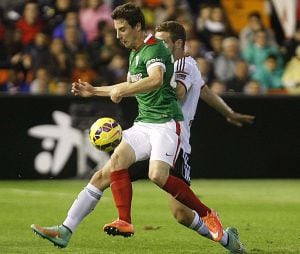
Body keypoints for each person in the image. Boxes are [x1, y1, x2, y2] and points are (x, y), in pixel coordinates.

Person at [30, 4, 252, 253]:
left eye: (122, 29)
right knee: (112, 165)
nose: (118, 35)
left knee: (170, 197)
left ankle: (211, 219)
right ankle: (73, 228)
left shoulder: (168, 56)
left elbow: (158, 80)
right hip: (145, 124)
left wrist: (122, 90)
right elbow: (133, 84)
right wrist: (96, 90)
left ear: (138, 27)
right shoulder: (136, 54)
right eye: (116, 30)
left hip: (169, 126)